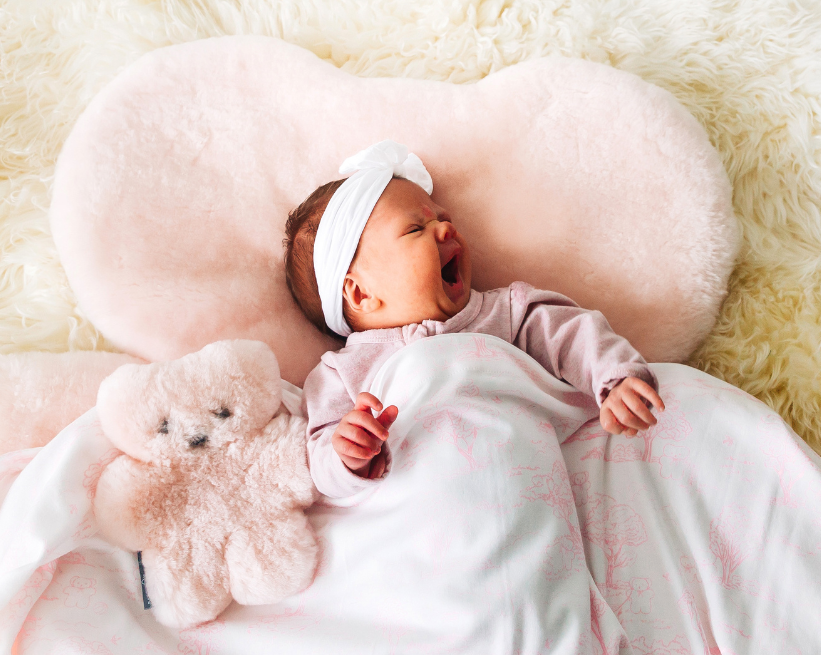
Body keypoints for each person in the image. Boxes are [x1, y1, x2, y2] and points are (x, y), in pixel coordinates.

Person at [283, 140, 664, 499]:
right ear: (360, 294)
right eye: (416, 228)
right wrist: (345, 453)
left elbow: (571, 335)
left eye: (442, 219)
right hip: (424, 510)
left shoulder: (505, 313)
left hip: (526, 479)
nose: (446, 229)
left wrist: (613, 379)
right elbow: (318, 457)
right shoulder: (342, 372)